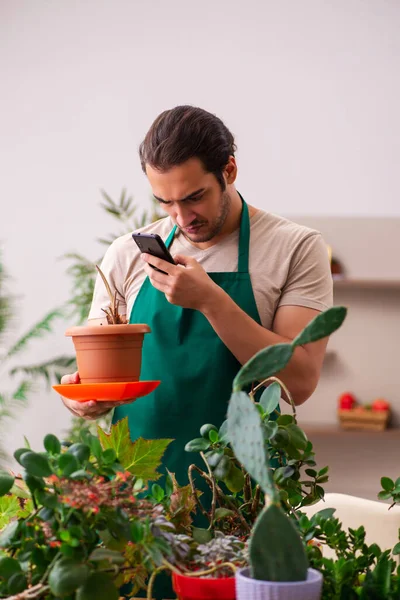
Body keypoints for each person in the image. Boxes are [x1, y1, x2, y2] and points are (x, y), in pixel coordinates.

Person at [61, 103, 333, 489]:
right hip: (135, 491)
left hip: (241, 492)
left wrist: (211, 301)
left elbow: (300, 382)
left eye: (194, 197)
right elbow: (98, 374)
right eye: (165, 202)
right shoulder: (126, 254)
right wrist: (84, 397)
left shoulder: (295, 248)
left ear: (229, 171)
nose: (181, 217)